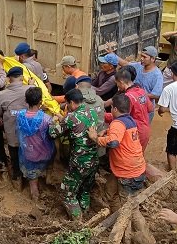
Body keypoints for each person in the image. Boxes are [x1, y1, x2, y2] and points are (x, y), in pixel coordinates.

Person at [89, 94, 149, 218]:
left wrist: (96, 138)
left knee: (131, 209)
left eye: (111, 108)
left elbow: (114, 142)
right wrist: (106, 131)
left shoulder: (117, 124)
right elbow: (120, 133)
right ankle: (117, 219)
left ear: (115, 109)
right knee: (110, 193)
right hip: (133, 168)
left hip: (128, 173)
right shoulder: (130, 120)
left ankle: (139, 234)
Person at [49, 89, 100, 219]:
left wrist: (53, 121)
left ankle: (78, 222)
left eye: (67, 104)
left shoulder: (71, 117)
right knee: (85, 190)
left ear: (71, 102)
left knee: (69, 193)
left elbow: (53, 133)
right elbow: (79, 126)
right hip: (93, 160)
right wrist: (64, 120)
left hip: (79, 162)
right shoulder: (92, 111)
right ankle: (86, 212)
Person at [16, 87, 55, 200]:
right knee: (53, 150)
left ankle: (35, 196)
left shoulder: (20, 116)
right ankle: (48, 177)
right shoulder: (47, 119)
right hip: (45, 153)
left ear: (26, 101)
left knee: (32, 177)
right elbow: (53, 135)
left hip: (28, 154)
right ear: (40, 101)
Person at [0, 66, 30, 181]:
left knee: (15, 157)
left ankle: (17, 179)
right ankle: (30, 178)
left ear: (8, 79)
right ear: (22, 77)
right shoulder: (31, 89)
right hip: (29, 136)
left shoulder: (2, 95)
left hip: (12, 135)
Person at [105, 68, 153, 150]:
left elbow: (121, 117)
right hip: (145, 129)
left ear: (121, 82)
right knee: (139, 156)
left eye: (117, 84)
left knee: (128, 156)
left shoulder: (127, 97)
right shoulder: (141, 91)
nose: (118, 87)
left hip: (134, 131)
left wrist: (104, 116)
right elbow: (150, 108)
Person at [118, 46, 163, 120]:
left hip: (146, 108)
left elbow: (156, 95)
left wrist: (137, 95)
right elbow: (125, 64)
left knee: (141, 128)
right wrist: (113, 55)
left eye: (144, 57)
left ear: (153, 59)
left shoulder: (157, 75)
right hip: (133, 106)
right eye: (141, 56)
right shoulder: (138, 65)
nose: (141, 58)